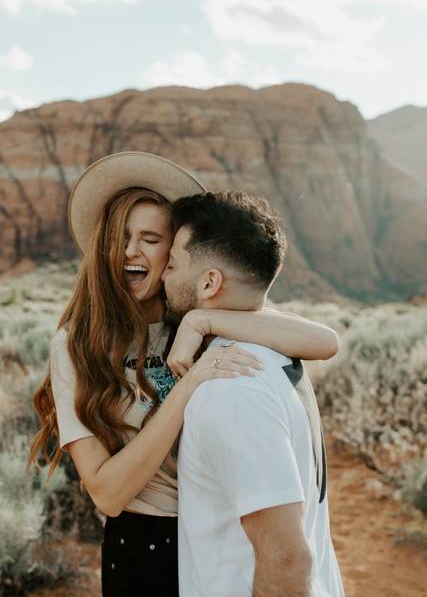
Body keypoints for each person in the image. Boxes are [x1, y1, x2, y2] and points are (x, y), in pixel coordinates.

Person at [29, 152, 340, 596]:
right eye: (120, 237)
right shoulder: (77, 345)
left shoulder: (192, 311)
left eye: (150, 239)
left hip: (221, 534)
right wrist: (188, 386)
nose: (130, 251)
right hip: (145, 544)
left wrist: (201, 323)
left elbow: (324, 341)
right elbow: (106, 493)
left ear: (174, 253)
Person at [163, 190, 345, 597]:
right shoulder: (278, 354)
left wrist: (199, 319)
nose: (163, 276)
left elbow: (287, 559)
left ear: (210, 282)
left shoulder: (232, 390)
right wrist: (201, 319)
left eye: (172, 265)